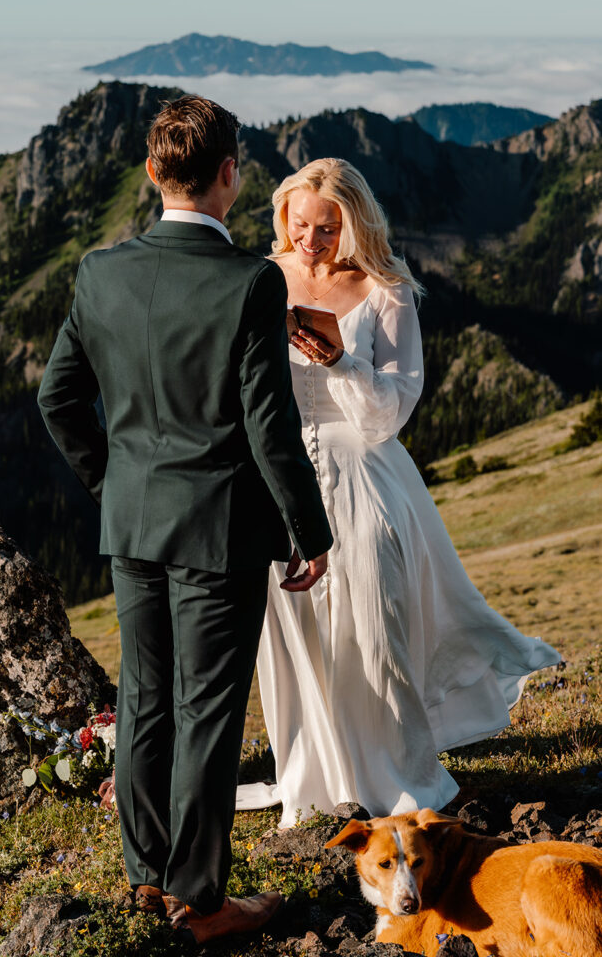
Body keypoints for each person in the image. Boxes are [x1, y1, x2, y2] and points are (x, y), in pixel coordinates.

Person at [37, 96, 334, 944]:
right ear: (231, 176)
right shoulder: (250, 281)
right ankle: (200, 902)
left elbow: (57, 398)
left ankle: (144, 878)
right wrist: (307, 532)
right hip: (218, 531)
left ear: (150, 172)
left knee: (145, 700)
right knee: (206, 710)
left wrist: (113, 481)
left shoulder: (99, 272)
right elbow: (268, 427)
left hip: (132, 524)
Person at [236, 157, 560, 828]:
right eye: (300, 225)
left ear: (353, 224)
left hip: (364, 479)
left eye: (326, 229)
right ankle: (314, 782)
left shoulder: (385, 291)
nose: (311, 241)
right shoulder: (261, 280)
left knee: (371, 629)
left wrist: (340, 360)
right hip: (279, 477)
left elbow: (390, 414)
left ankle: (394, 775)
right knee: (295, 633)